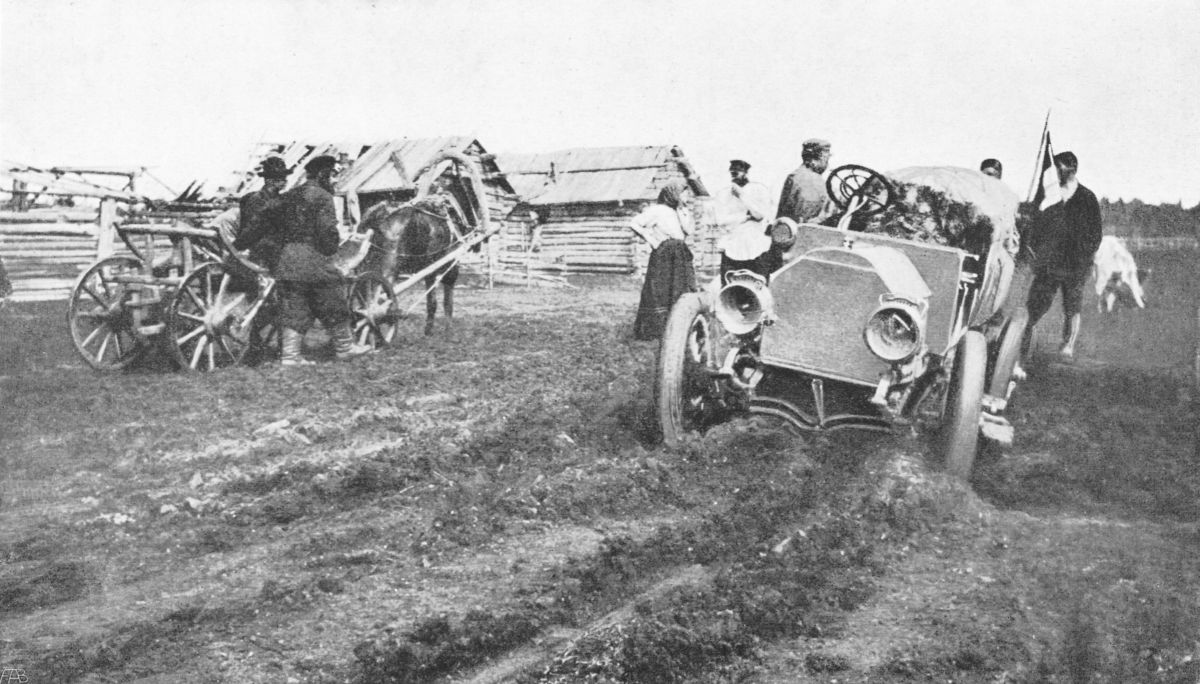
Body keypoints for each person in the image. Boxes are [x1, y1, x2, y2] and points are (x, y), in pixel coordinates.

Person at [274, 154, 372, 366]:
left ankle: (290, 357)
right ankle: (345, 348)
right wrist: (333, 248)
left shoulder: (288, 195)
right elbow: (328, 231)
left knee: (295, 308)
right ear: (322, 174)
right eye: (333, 175)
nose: (335, 180)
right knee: (333, 297)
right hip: (313, 259)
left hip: (288, 261)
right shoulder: (323, 196)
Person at [1020, 151, 1103, 361]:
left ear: (1072, 169)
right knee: (1036, 303)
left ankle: (1068, 345)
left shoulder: (1087, 198)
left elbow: (1096, 234)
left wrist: (1084, 256)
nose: (1055, 171)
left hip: (1076, 264)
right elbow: (1036, 224)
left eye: (1059, 167)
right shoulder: (1050, 194)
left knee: (1072, 306)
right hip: (1050, 262)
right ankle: (1023, 345)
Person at [630, 183, 696, 340]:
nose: (686, 197)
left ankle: (678, 326)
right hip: (664, 253)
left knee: (681, 287)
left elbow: (689, 230)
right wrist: (652, 240)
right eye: (683, 194)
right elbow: (634, 223)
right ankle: (655, 330)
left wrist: (684, 211)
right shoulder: (657, 210)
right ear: (673, 194)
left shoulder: (680, 211)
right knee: (660, 289)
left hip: (680, 252)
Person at [715, 159, 773, 282]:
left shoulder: (758, 190)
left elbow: (759, 215)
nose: (734, 176)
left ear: (746, 172)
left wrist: (742, 196)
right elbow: (721, 220)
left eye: (737, 172)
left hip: (755, 245)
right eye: (732, 173)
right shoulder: (723, 194)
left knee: (758, 283)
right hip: (733, 245)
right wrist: (745, 217)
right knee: (730, 284)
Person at [234, 155, 290, 270]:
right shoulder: (257, 199)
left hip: (271, 248)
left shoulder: (279, 199)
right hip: (260, 250)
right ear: (269, 180)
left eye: (284, 178)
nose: (285, 181)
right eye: (280, 178)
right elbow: (252, 228)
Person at [777, 138, 834, 223]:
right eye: (826, 160)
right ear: (819, 158)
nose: (827, 165)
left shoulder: (795, 176)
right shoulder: (812, 180)